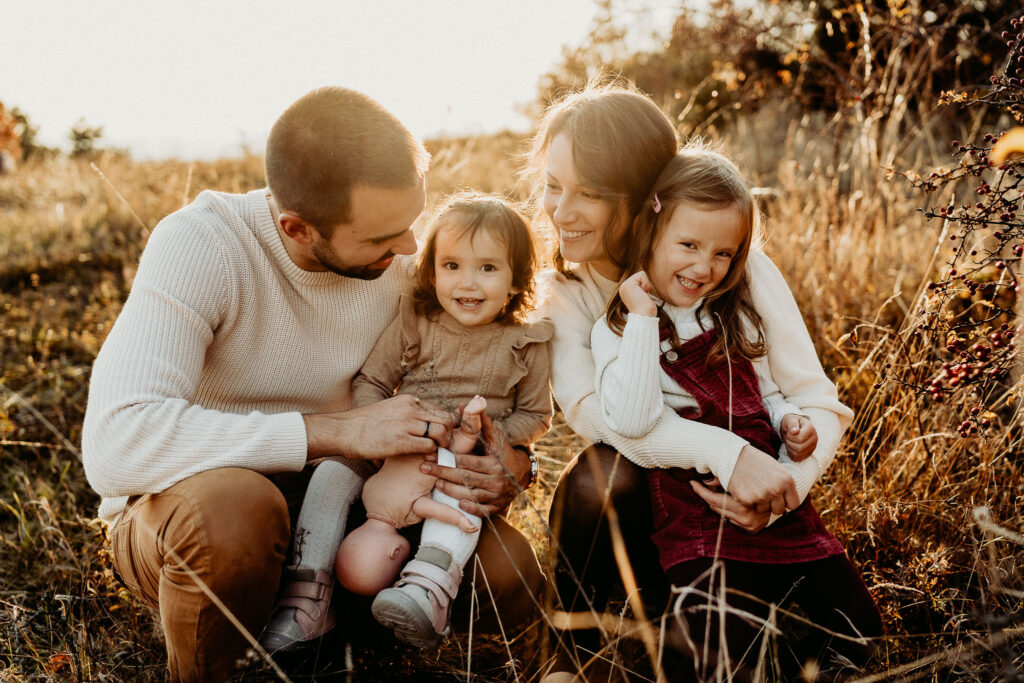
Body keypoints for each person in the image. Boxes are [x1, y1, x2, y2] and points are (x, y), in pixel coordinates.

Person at [81, 86, 542, 682]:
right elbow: (116, 444)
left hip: (354, 508)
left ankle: (328, 627)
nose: (408, 250)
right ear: (297, 228)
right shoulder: (205, 244)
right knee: (236, 516)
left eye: (411, 224)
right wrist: (338, 431)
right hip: (208, 514)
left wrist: (507, 466)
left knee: (507, 569)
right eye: (381, 239)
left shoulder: (403, 264)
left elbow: (483, 372)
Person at [530, 83, 873, 681]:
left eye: (588, 193)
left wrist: (780, 486)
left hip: (744, 512)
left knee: (852, 640)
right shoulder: (567, 291)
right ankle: (571, 648)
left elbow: (815, 399)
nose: (559, 212)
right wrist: (728, 452)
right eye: (553, 184)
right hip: (653, 513)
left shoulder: (731, 269)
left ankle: (719, 616)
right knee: (596, 477)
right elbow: (604, 421)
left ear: (646, 201)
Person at [261, 193, 552, 652]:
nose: (467, 283)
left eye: (488, 268)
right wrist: (374, 437)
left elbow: (536, 416)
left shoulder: (527, 343)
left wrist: (493, 440)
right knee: (333, 475)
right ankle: (307, 592)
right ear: (431, 270)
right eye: (451, 266)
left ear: (517, 280)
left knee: (460, 497)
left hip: (461, 459)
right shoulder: (416, 321)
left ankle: (429, 587)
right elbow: (373, 381)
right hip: (395, 448)